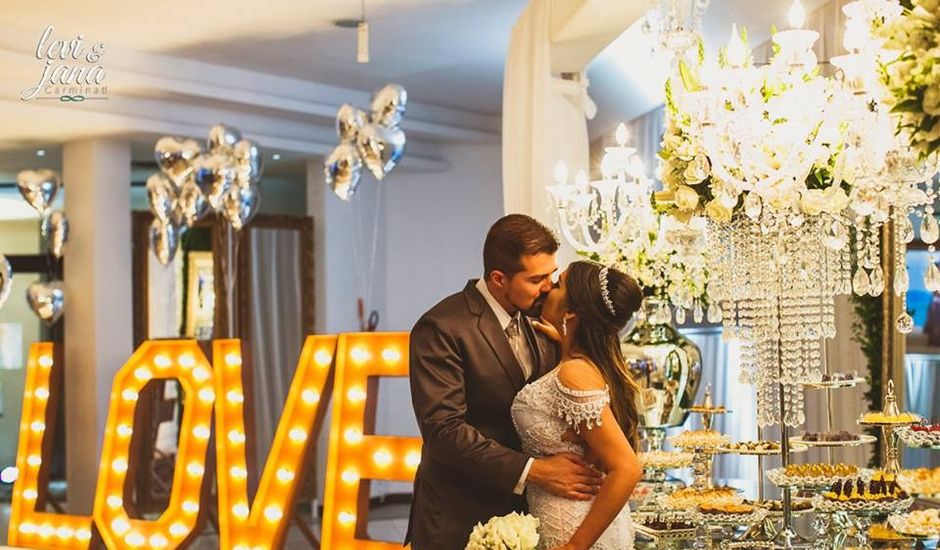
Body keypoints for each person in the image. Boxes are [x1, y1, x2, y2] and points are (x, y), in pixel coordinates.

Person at [406, 214, 604, 550]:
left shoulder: (540, 324)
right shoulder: (441, 327)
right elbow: (444, 431)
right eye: (537, 278)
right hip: (459, 515)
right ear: (498, 279)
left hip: (524, 517)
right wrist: (535, 471)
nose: (549, 287)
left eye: (552, 275)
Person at [512, 260, 644, 549]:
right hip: (570, 518)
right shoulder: (580, 363)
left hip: (574, 530)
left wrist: (574, 547)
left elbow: (628, 468)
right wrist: (563, 341)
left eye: (558, 285)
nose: (548, 289)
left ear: (571, 312)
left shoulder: (575, 373)